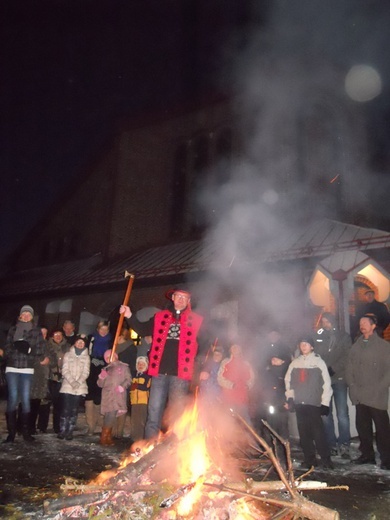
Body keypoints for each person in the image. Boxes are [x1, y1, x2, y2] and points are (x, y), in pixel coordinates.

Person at [120, 287, 204, 439]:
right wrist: (129, 315)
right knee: (154, 412)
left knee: (177, 415)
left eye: (184, 298)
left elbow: (205, 344)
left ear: (188, 301)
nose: (181, 300)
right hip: (159, 372)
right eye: (178, 296)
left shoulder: (196, 320)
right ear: (172, 298)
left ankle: (174, 449)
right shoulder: (160, 317)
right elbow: (143, 329)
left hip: (181, 374)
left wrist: (202, 368)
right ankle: (149, 447)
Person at [345, 315, 390, 469]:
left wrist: (380, 388)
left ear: (373, 326)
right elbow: (349, 368)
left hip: (377, 396)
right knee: (363, 427)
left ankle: (387, 458)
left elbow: (388, 371)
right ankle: (367, 455)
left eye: (365, 323)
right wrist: (352, 386)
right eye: (360, 323)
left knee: (383, 430)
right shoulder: (356, 346)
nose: (362, 325)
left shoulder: (383, 346)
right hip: (360, 395)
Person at [285, 337, 333, 469]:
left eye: (306, 344)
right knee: (304, 433)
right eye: (301, 344)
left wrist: (325, 403)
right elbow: (288, 381)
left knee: (318, 433)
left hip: (314, 403)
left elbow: (326, 384)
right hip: (300, 403)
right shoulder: (295, 363)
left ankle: (325, 459)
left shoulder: (319, 362)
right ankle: (309, 459)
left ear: (312, 347)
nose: (303, 346)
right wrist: (290, 398)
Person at [1, 305, 48, 443]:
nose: (26, 316)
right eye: (24, 314)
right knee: (13, 398)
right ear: (20, 316)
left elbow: (40, 350)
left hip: (27, 369)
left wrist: (28, 351)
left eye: (29, 314)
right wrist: (15, 349)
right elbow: (7, 348)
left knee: (26, 399)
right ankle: (12, 433)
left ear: (32, 317)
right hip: (12, 368)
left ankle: (26, 432)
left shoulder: (36, 331)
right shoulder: (13, 329)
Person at [314, 312, 352, 458]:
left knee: (342, 414)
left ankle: (344, 444)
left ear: (333, 321)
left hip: (339, 379)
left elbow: (346, 356)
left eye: (327, 321)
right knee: (326, 414)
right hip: (324, 382)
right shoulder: (319, 336)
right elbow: (316, 354)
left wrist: (333, 368)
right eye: (323, 321)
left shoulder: (343, 336)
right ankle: (331, 444)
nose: (325, 324)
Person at [261, 330, 292, 449]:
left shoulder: (286, 373)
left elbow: (288, 388)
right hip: (271, 405)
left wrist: (288, 402)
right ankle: (272, 451)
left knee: (283, 428)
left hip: (282, 405)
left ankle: (285, 451)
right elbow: (264, 388)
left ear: (283, 361)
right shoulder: (268, 373)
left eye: (277, 359)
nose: (274, 361)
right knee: (271, 428)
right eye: (273, 359)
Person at [58, 335, 90, 440]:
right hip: (67, 385)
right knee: (65, 409)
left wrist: (79, 382)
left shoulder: (86, 357)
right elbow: (64, 369)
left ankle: (70, 431)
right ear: (74, 343)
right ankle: (62, 430)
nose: (80, 344)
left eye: (82, 342)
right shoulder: (68, 355)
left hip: (80, 387)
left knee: (74, 410)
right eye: (78, 342)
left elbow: (86, 371)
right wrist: (72, 381)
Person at [97, 349, 132, 446]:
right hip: (108, 396)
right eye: (107, 358)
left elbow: (128, 379)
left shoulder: (123, 367)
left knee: (112, 415)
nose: (109, 359)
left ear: (116, 356)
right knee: (109, 415)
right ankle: (106, 437)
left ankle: (105, 436)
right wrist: (101, 377)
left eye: (110, 356)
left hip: (118, 395)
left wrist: (123, 386)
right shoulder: (106, 369)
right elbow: (100, 384)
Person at [85, 320, 113, 435]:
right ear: (98, 329)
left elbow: (113, 355)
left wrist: (104, 363)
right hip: (91, 371)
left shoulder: (111, 340)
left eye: (106, 329)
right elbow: (86, 351)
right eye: (102, 329)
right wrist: (91, 359)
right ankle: (91, 425)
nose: (104, 331)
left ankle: (101, 425)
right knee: (89, 398)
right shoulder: (92, 338)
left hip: (103, 371)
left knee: (99, 398)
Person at [217, 342, 255, 425]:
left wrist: (248, 385)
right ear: (230, 350)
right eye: (233, 348)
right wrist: (231, 385)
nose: (235, 349)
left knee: (246, 423)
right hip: (229, 398)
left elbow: (252, 378)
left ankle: (247, 437)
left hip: (243, 398)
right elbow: (220, 379)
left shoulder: (246, 363)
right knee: (229, 422)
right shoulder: (225, 362)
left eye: (237, 347)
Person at [29, 326, 51, 434]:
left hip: (43, 380)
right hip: (31, 379)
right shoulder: (31, 344)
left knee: (37, 404)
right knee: (27, 404)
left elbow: (54, 359)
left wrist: (49, 361)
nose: (43, 335)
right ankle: (24, 427)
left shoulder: (48, 346)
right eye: (41, 333)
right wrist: (39, 361)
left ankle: (33, 427)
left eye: (45, 333)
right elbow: (27, 358)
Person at [47, 329, 70, 433]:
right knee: (49, 403)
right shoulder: (48, 346)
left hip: (64, 378)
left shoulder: (68, 346)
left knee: (61, 404)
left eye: (60, 334)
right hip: (51, 378)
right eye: (55, 334)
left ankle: (59, 426)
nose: (58, 336)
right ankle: (43, 426)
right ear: (52, 336)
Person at [129, 356, 151, 441]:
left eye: (142, 364)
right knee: (134, 420)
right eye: (139, 364)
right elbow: (131, 387)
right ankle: (134, 438)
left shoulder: (147, 376)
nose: (140, 365)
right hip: (134, 401)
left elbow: (146, 387)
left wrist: (136, 386)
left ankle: (141, 439)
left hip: (143, 401)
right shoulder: (135, 375)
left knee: (141, 420)